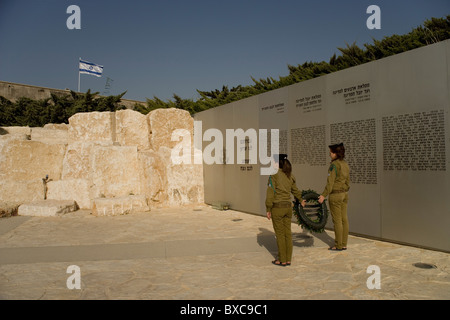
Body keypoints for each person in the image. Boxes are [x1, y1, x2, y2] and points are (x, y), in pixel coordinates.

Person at [265, 154, 305, 266]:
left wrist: (268, 208)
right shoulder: (289, 175)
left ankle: (281, 260)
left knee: (280, 234)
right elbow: (295, 190)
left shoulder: (274, 175)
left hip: (277, 208)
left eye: (273, 161)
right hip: (288, 208)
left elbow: (270, 193)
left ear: (277, 163)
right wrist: (301, 200)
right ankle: (288, 259)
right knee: (288, 233)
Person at [318, 143, 350, 251]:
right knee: (344, 219)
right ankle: (344, 243)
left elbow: (330, 183)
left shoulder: (334, 165)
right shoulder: (345, 164)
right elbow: (348, 181)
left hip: (335, 195)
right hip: (344, 194)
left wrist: (323, 195)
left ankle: (338, 245)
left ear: (335, 154)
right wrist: (344, 190)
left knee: (337, 221)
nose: (330, 155)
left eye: (331, 153)